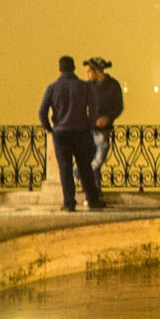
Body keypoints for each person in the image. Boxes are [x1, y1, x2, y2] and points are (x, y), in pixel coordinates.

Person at [37, 54, 102, 212]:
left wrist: (49, 129)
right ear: (73, 68)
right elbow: (93, 108)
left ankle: (69, 203)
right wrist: (90, 125)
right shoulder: (84, 86)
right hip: (80, 131)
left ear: (60, 69)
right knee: (85, 167)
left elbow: (42, 111)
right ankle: (92, 200)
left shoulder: (52, 88)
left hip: (61, 133)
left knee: (65, 169)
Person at [84, 57, 123, 181]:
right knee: (92, 159)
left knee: (99, 159)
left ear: (97, 72)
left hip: (103, 129)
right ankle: (94, 193)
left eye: (89, 71)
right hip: (88, 129)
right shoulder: (87, 86)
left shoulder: (113, 85)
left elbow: (118, 106)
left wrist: (108, 118)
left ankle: (77, 174)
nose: (88, 74)